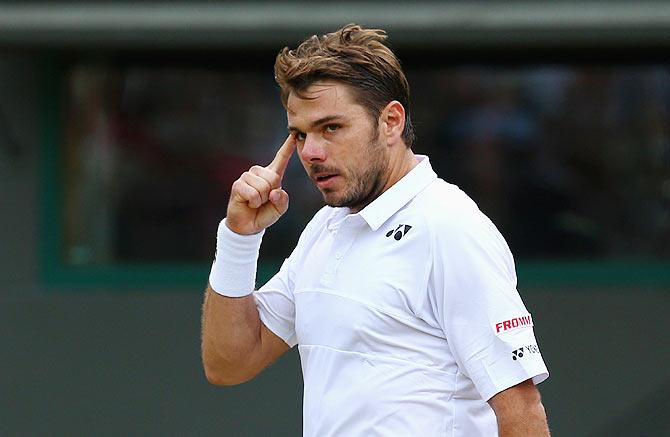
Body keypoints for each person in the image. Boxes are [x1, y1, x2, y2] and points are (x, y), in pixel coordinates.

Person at [201, 24, 550, 436]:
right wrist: (239, 239)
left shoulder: (451, 227)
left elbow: (522, 411)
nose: (311, 152)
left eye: (331, 127)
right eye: (300, 134)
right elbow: (230, 362)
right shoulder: (326, 229)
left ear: (391, 122)